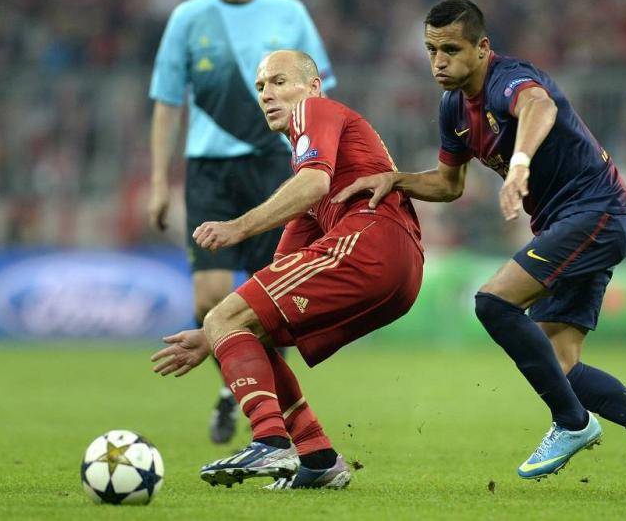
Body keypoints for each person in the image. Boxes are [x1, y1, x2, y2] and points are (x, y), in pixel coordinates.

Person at [334, 0, 626, 495]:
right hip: (571, 225)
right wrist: (395, 179)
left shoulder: (509, 79)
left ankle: (571, 423)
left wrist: (519, 165)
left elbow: (540, 106)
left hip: (597, 212)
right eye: (431, 50)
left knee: (493, 302)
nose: (439, 61)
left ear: (482, 47)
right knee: (561, 366)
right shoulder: (453, 108)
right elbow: (449, 184)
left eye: (451, 49)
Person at [150, 50, 424, 490]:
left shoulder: (315, 113)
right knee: (247, 327)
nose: (267, 94)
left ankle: (269, 441)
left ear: (313, 87)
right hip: (398, 269)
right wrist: (216, 335)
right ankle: (318, 458)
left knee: (226, 316)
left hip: (371, 242)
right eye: (261, 86)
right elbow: (275, 277)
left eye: (279, 82)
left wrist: (236, 228)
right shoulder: (317, 166)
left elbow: (313, 183)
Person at [148, 0, 336, 444]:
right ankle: (236, 384)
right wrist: (158, 180)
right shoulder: (189, 18)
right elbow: (167, 102)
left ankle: (266, 415)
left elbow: (321, 92)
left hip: (276, 164)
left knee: (271, 303)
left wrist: (325, 160)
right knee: (209, 300)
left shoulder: (289, 12)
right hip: (209, 170)